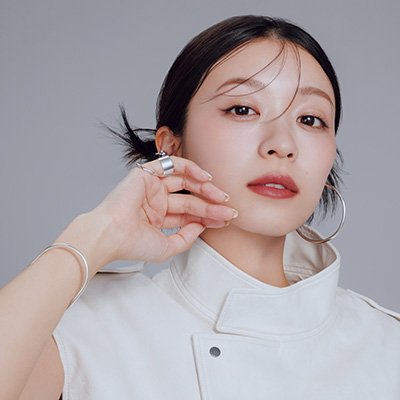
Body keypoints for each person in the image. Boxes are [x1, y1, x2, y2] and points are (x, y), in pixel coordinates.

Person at [1, 14, 399, 400]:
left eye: (310, 119)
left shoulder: (386, 346)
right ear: (171, 146)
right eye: (243, 109)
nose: (282, 144)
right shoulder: (90, 332)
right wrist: (94, 235)